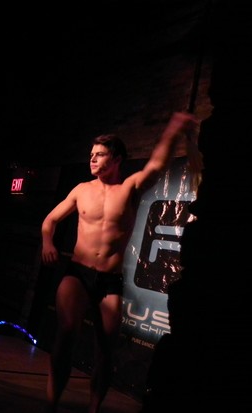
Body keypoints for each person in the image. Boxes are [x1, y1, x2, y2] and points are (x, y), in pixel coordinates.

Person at [40, 111, 198, 413]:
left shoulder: (128, 188)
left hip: (109, 280)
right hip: (78, 274)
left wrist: (174, 128)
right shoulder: (81, 190)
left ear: (116, 159)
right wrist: (48, 242)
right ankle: (50, 405)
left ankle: (94, 409)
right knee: (66, 333)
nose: (92, 159)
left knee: (105, 350)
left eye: (99, 154)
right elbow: (50, 220)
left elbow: (156, 165)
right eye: (91, 154)